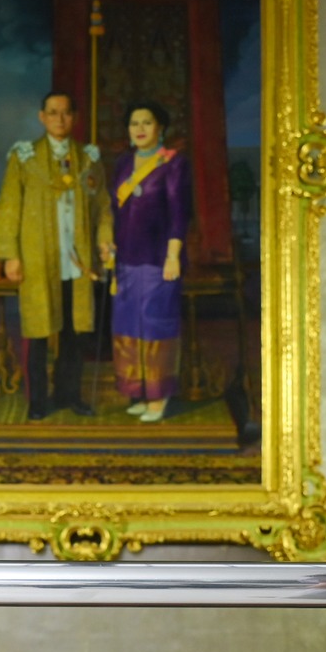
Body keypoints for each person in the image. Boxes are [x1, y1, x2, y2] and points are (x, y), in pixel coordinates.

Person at [0, 91, 112, 419]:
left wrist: (104, 242)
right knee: (40, 330)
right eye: (53, 112)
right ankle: (38, 400)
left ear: (75, 117)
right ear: (42, 117)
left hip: (78, 260)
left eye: (66, 112)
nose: (60, 119)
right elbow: (9, 206)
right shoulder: (25, 157)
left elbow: (102, 206)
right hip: (38, 257)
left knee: (74, 331)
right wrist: (11, 255)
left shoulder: (88, 158)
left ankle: (70, 394)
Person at [104, 100, 191, 422]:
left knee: (155, 326)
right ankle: (138, 391)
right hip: (126, 259)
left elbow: (179, 213)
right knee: (128, 327)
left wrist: (173, 256)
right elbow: (113, 210)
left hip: (158, 259)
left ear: (160, 128)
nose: (139, 129)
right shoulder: (123, 164)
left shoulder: (174, 163)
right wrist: (109, 245)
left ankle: (159, 396)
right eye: (134, 123)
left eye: (147, 122)